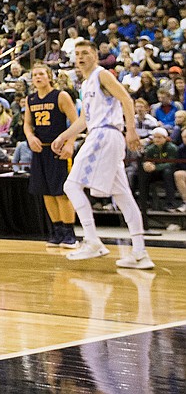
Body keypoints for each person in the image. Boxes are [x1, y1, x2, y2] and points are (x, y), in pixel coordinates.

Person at [53, 40, 154, 269]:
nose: (80, 57)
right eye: (77, 53)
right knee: (122, 196)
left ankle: (92, 240)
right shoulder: (85, 84)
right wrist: (64, 136)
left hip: (105, 135)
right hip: (103, 135)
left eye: (86, 53)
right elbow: (84, 120)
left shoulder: (101, 75)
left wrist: (131, 130)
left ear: (95, 56)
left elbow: (126, 99)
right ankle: (140, 253)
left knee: (71, 185)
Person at [24, 64, 81, 249]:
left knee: (61, 193)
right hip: (40, 150)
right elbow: (27, 124)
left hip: (59, 150)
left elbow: (77, 122)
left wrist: (70, 144)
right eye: (34, 75)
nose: (38, 77)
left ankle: (69, 233)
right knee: (46, 193)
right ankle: (56, 232)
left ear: (49, 77)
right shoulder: (30, 99)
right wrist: (31, 137)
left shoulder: (60, 96)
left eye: (41, 74)